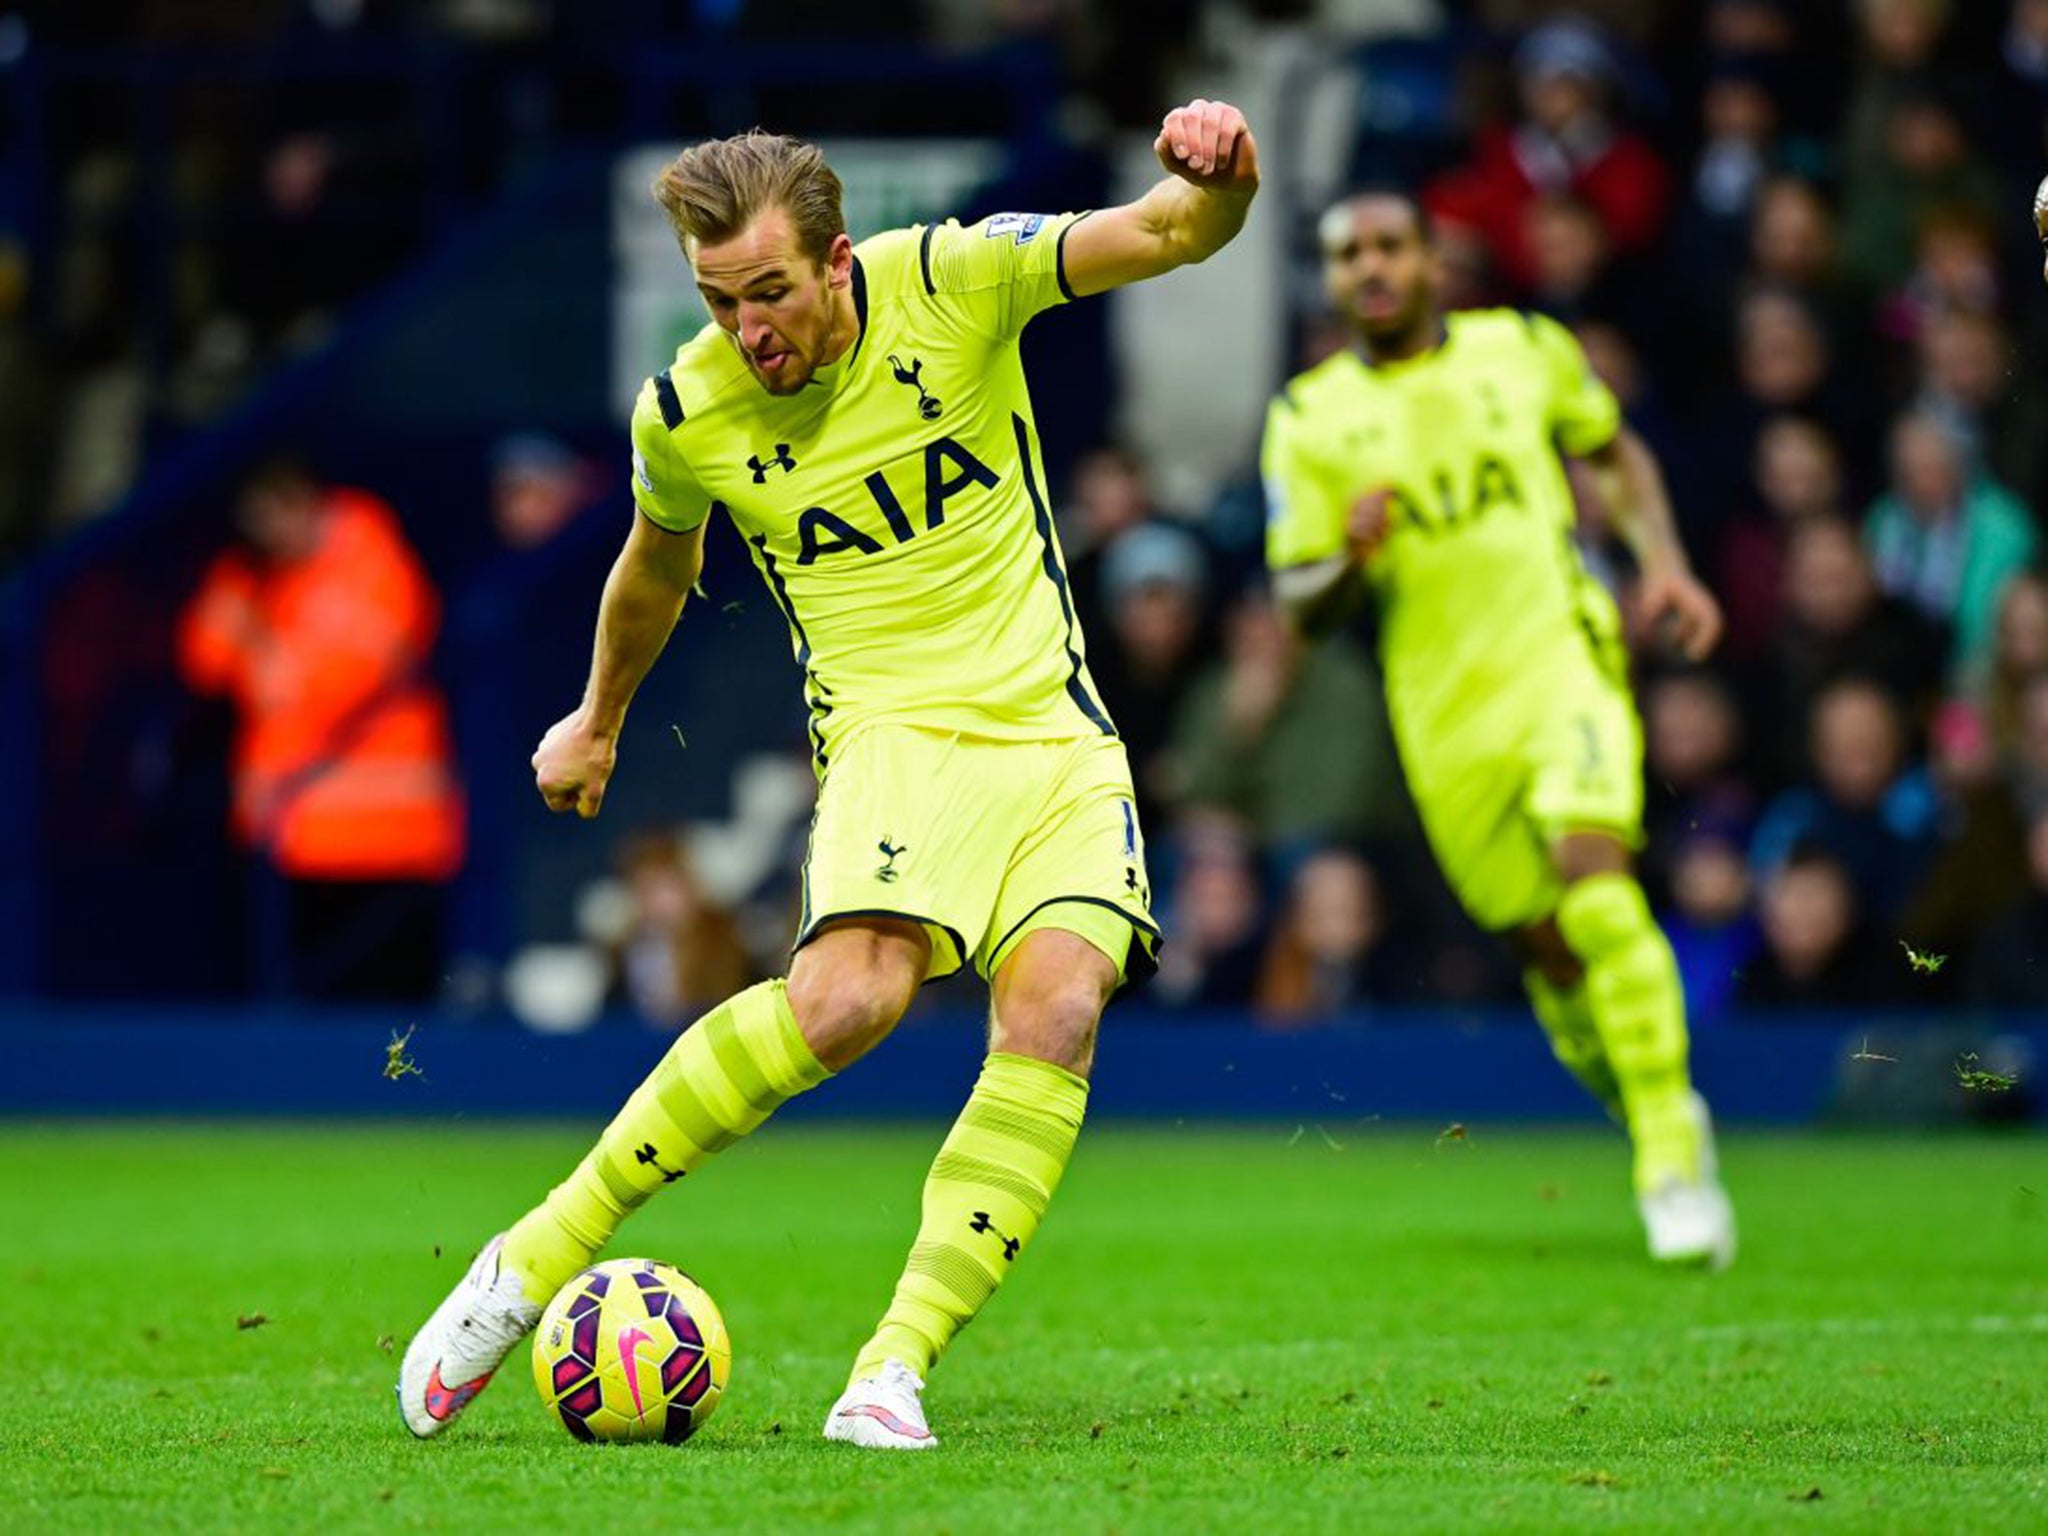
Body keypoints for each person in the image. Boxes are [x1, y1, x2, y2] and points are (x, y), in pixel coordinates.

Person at [399, 102, 1261, 1449]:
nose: (751, 328)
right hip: (889, 735)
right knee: (850, 1001)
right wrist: (597, 718)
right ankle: (528, 1260)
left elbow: (1167, 231)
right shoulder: (689, 407)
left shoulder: (951, 280)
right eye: (720, 298)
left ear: (838, 262)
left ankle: (891, 1369)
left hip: (1050, 730)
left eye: (770, 293)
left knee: (1059, 1009)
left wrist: (1222, 179)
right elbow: (656, 566)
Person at [1262, 189, 1736, 1269]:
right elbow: (1298, 598)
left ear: (1433, 262)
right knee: (1549, 950)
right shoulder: (1308, 417)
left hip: (1558, 663)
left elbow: (1610, 452)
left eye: (1388, 247)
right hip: (1439, 715)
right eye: (1346, 256)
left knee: (1594, 880)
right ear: (1330, 281)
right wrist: (1347, 553)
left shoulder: (1520, 349)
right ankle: (1654, 1110)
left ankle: (1666, 1153)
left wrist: (1661, 564)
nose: (1368, 269)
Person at [177, 458, 465, 999]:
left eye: (280, 514)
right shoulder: (260, 580)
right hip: (290, 835)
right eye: (258, 521)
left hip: (385, 839)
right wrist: (246, 616)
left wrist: (260, 651)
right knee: (297, 1003)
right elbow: (204, 661)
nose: (273, 533)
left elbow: (329, 689)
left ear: (310, 504)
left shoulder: (372, 561)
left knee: (384, 1008)